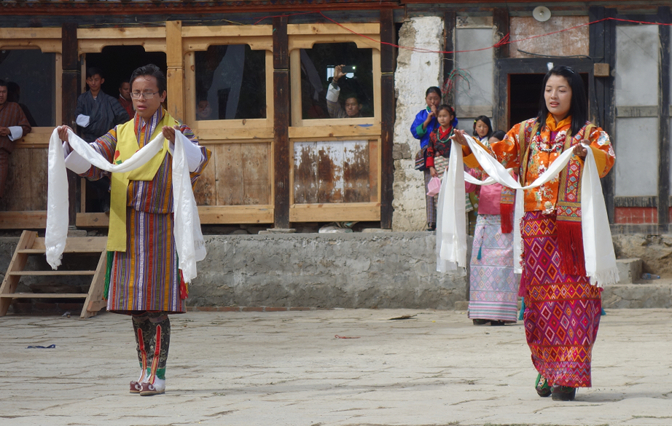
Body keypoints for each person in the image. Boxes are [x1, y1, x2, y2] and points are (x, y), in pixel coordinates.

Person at [452, 65, 615, 401]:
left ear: (575, 95)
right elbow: (496, 157)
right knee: (540, 305)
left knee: (579, 303)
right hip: (537, 232)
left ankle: (568, 375)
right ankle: (546, 367)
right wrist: (467, 145)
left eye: (562, 90)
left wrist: (588, 154)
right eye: (549, 90)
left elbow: (607, 161)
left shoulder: (589, 133)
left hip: (574, 233)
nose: (553, 96)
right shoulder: (526, 132)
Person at [58, 64, 211, 396]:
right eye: (136, 92)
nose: (140, 98)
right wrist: (69, 142)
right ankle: (144, 368)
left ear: (162, 95)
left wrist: (177, 144)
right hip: (126, 226)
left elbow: (199, 161)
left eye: (148, 93)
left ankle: (158, 374)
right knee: (137, 306)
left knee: (155, 305)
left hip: (160, 226)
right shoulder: (120, 132)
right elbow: (95, 163)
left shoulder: (176, 129)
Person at [466, 130, 518, 327]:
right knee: (480, 266)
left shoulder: (512, 168)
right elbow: (469, 186)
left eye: (498, 146)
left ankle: (500, 313)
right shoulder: (482, 167)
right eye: (491, 147)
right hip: (485, 222)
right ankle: (481, 312)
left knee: (504, 267)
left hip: (505, 223)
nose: (494, 150)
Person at [75, 68, 130, 212]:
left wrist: (114, 131)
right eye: (90, 80)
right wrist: (99, 119)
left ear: (102, 81)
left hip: (107, 141)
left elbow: (124, 118)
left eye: (96, 79)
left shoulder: (110, 101)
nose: (93, 83)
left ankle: (107, 204)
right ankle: (108, 190)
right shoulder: (82, 99)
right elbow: (78, 119)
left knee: (106, 171)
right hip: (88, 141)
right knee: (86, 169)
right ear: (86, 81)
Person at [411, 86, 441, 230]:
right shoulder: (422, 115)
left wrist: (439, 117)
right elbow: (415, 133)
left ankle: (443, 219)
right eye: (430, 99)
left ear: (440, 99)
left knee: (444, 187)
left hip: (442, 154)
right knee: (431, 187)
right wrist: (427, 120)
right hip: (428, 154)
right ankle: (431, 222)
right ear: (426, 100)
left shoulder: (445, 113)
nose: (433, 101)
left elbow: (452, 126)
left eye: (435, 98)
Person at [0, 79, 32, 198]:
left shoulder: (14, 108)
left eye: (4, 92)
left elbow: (26, 127)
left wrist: (9, 130)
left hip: (1, 156)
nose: (1, 95)